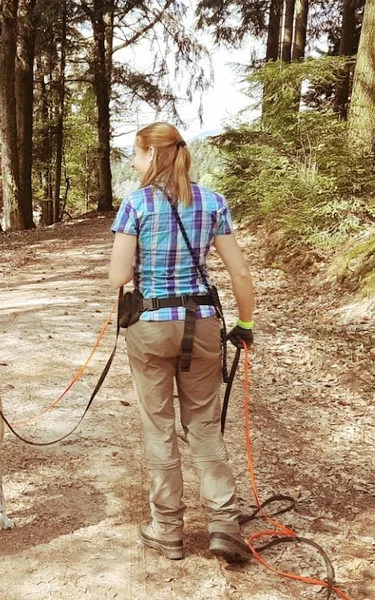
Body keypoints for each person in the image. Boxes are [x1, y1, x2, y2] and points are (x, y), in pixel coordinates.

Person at [108, 122, 255, 562]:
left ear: (152, 156)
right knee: (204, 425)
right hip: (204, 323)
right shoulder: (213, 202)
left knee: (159, 428)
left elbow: (119, 277)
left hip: (151, 325)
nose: (133, 163)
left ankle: (167, 528)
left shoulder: (135, 203)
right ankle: (224, 524)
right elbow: (240, 274)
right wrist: (244, 323)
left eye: (135, 155)